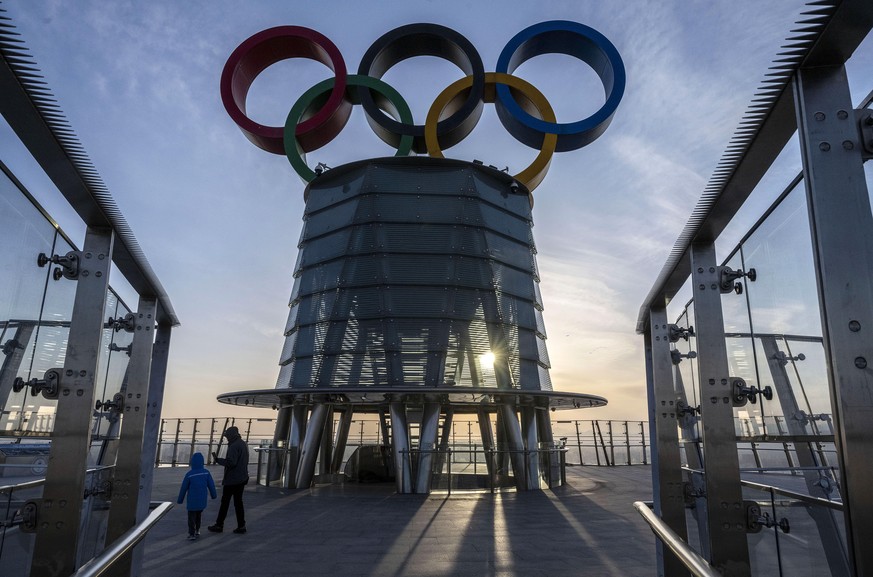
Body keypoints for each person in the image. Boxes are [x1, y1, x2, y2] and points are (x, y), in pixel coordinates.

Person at [208, 426, 250, 534]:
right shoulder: (242, 443)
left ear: (231, 435)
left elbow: (231, 463)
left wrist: (219, 460)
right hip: (242, 477)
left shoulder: (234, 446)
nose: (226, 438)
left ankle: (219, 525)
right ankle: (241, 525)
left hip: (233, 479)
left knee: (225, 503)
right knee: (238, 503)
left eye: (227, 436)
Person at [177, 452, 217, 540]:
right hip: (202, 500)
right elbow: (211, 485)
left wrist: (180, 500)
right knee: (198, 515)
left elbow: (183, 488)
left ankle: (191, 534)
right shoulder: (206, 473)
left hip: (192, 501)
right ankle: (197, 530)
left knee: (191, 517)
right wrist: (214, 495)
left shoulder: (189, 474)